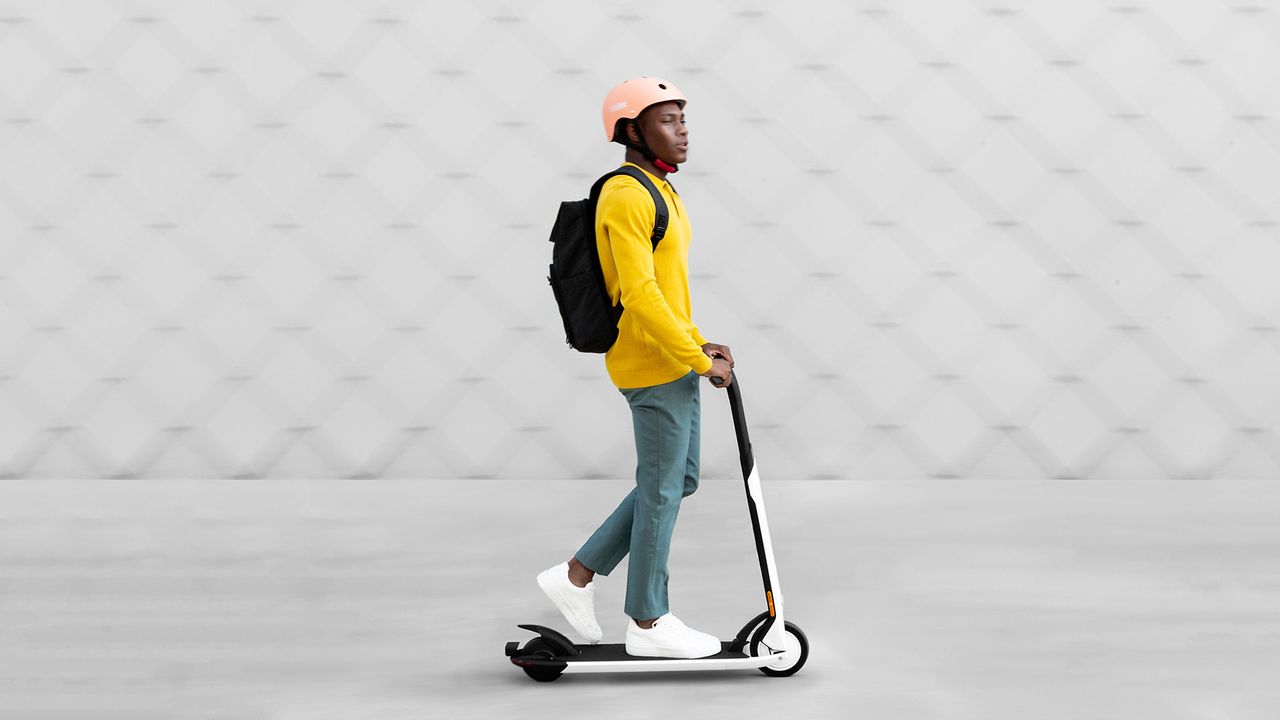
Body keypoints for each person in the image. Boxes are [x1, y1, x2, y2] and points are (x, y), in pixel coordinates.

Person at [537, 77, 735, 659]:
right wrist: (694, 357)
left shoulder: (662, 190)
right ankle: (649, 623)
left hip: (672, 357)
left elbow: (669, 294)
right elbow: (640, 295)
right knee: (660, 491)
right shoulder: (627, 194)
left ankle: (575, 574)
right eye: (669, 119)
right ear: (631, 130)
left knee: (679, 481)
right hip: (649, 365)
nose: (683, 130)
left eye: (682, 118)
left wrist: (703, 345)